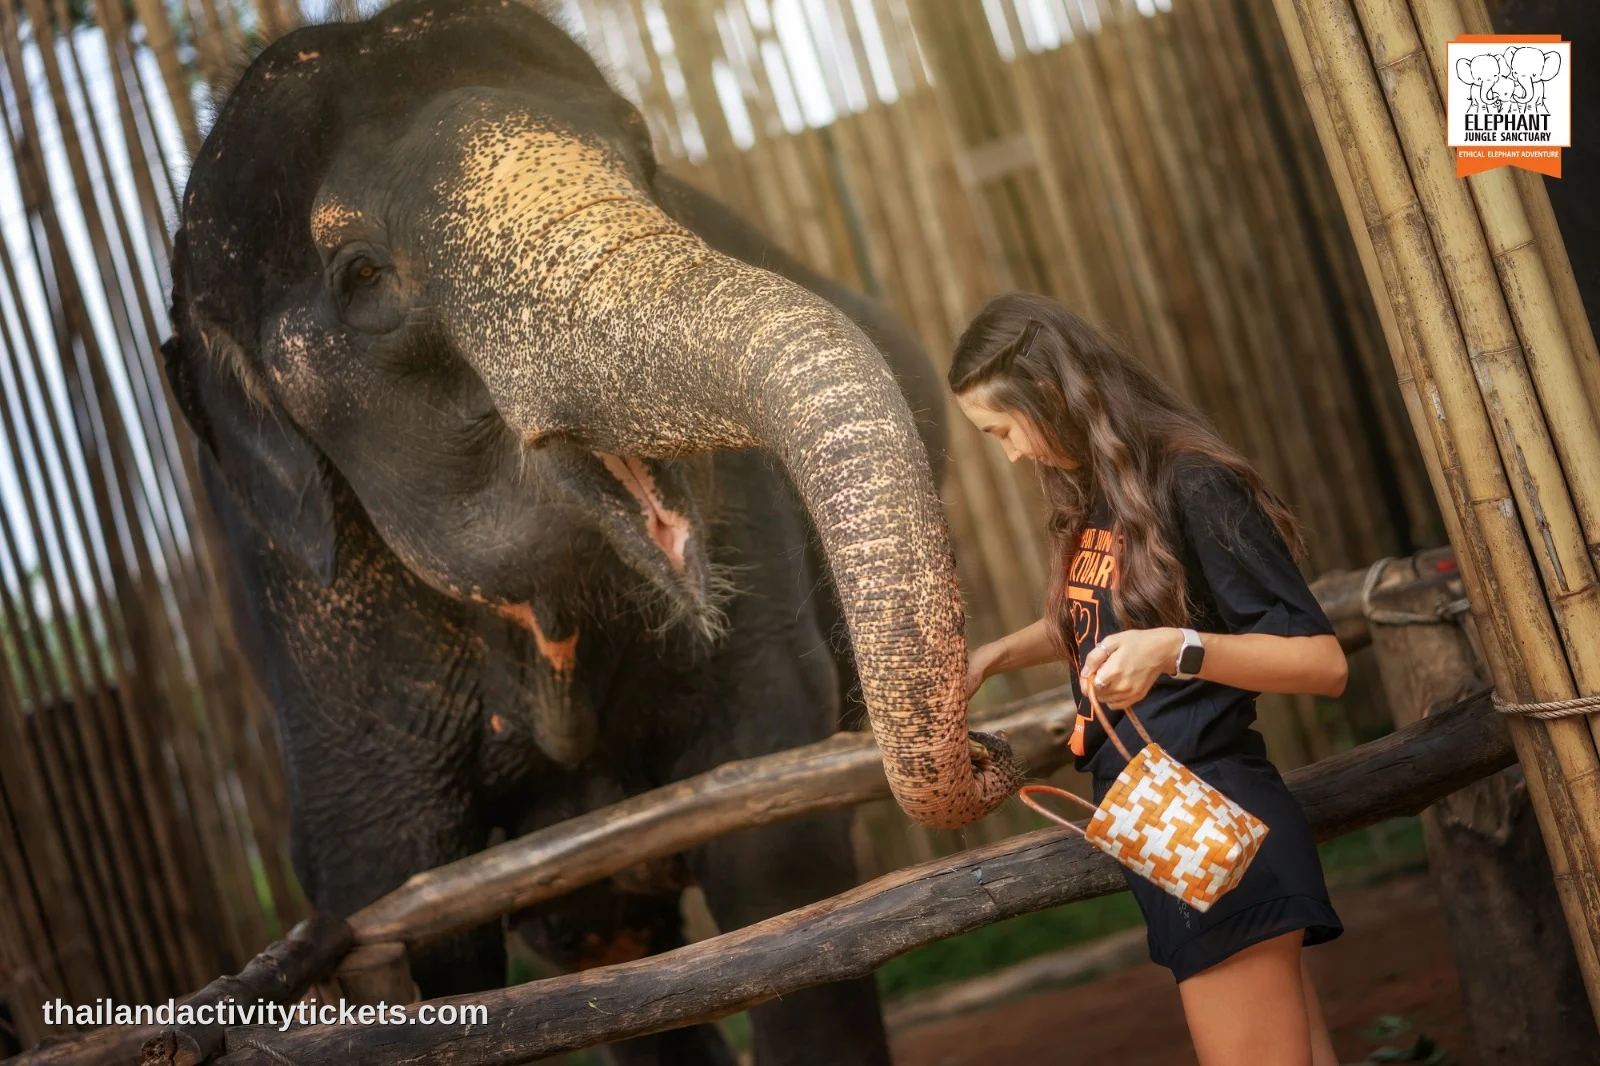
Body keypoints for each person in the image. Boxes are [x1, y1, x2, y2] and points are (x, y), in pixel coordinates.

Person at [952, 292, 1348, 1066]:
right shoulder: (1109, 495)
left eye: (1003, 431)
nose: (1012, 455)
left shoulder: (1192, 483)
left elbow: (1320, 661)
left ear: (1052, 393)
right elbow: (1103, 619)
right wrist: (990, 659)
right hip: (1164, 829)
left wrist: (1177, 651)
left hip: (1215, 819)